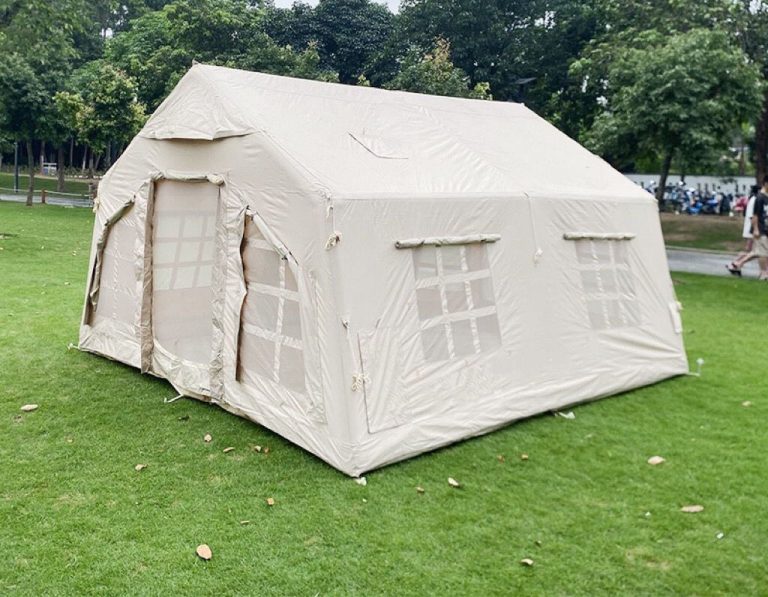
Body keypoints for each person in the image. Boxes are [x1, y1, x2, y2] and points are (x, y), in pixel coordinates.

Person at [727, 178, 768, 279]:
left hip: (763, 229)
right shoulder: (758, 198)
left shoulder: (764, 198)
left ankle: (737, 264)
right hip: (759, 229)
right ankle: (764, 273)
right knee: (762, 252)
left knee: (758, 251)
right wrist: (755, 229)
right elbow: (754, 215)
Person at [726, 185, 758, 276]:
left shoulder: (752, 199)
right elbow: (753, 216)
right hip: (753, 229)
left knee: (749, 250)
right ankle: (736, 264)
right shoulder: (756, 200)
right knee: (757, 251)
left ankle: (735, 264)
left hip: (750, 228)